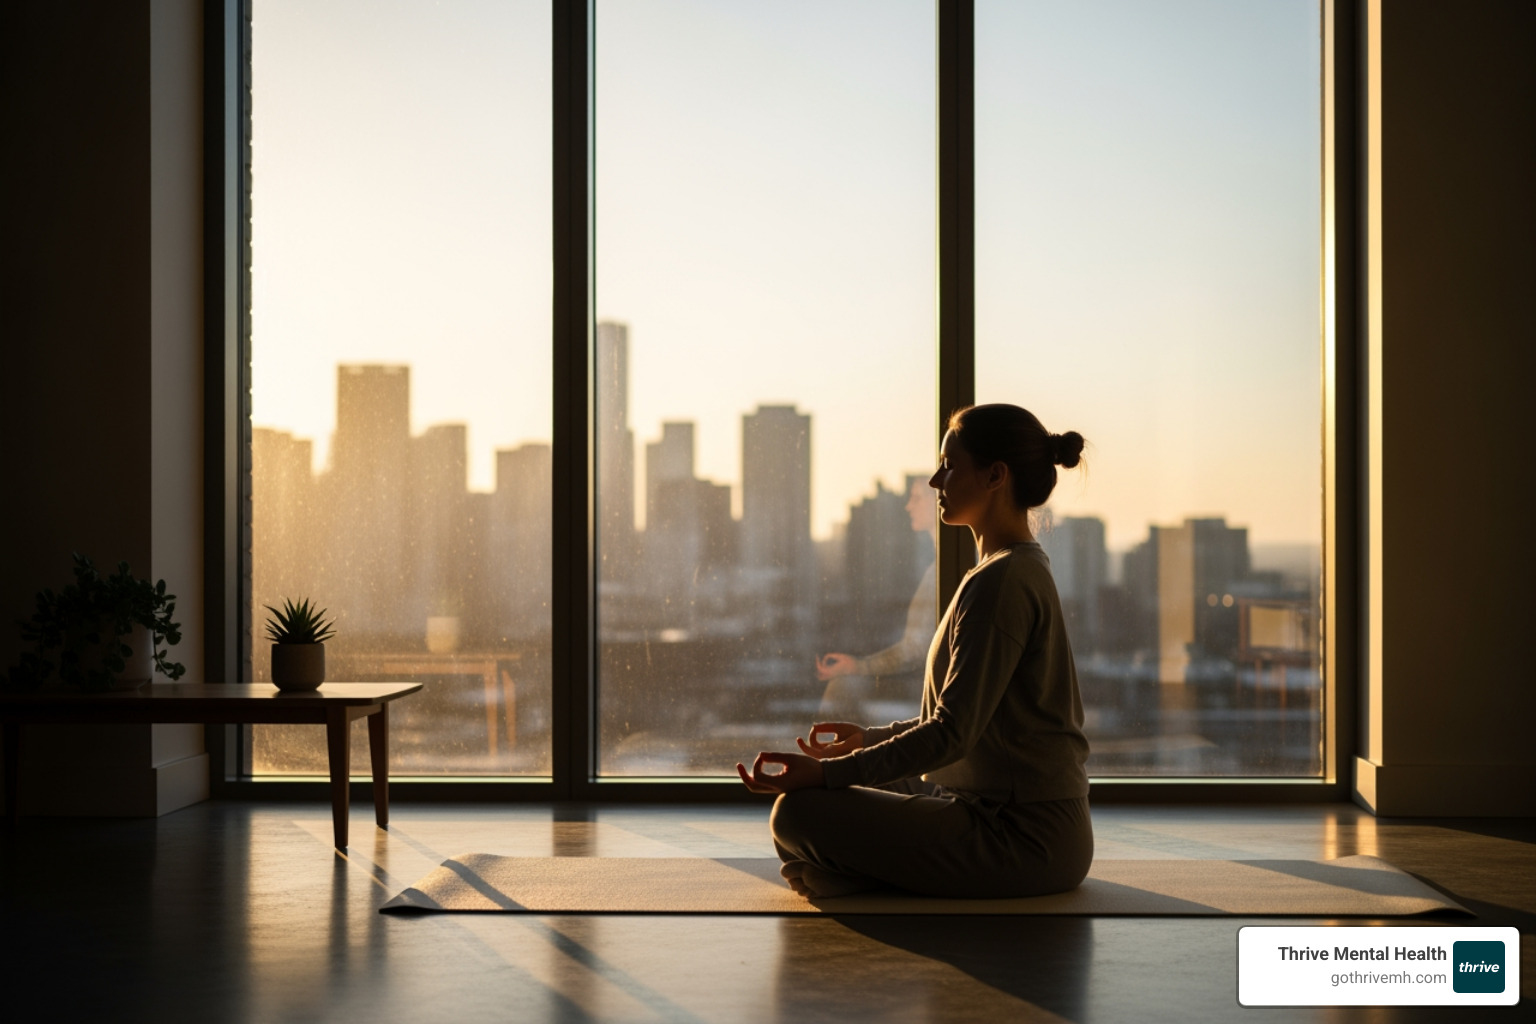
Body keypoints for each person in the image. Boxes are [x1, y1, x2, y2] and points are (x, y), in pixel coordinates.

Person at [737, 404, 1093, 899]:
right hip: (1004, 812)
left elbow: (952, 731)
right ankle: (859, 878)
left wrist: (828, 771)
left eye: (949, 465)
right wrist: (867, 740)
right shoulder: (1006, 570)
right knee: (831, 799)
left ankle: (861, 882)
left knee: (798, 813)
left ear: (995, 476)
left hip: (1022, 837)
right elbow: (971, 721)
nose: (935, 480)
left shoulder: (1004, 581)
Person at [815, 476, 937, 720]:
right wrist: (858, 666)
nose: (908, 506)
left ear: (938, 502)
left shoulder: (941, 573)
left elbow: (914, 649)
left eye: (916, 498)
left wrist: (861, 667)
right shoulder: (937, 569)